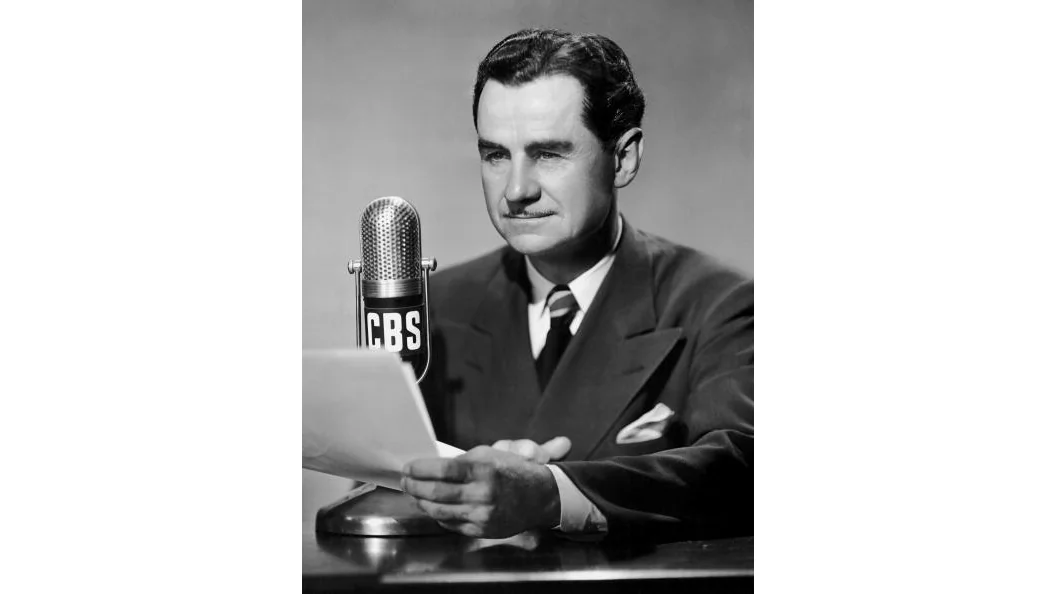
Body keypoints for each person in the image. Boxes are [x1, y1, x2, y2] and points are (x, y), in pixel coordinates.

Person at [400, 28, 753, 543]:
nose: (516, 190)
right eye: (496, 155)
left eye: (547, 154)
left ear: (624, 158)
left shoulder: (718, 303)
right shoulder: (435, 310)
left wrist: (548, 492)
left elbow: (743, 469)